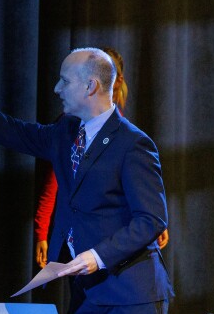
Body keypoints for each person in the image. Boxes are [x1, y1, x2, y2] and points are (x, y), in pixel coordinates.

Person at [0, 47, 173, 314]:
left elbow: (151, 220)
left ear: (90, 86)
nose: (57, 89)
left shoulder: (133, 144)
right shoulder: (66, 132)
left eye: (65, 81)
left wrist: (97, 256)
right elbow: (11, 130)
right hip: (86, 298)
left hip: (131, 298)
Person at [33, 47, 168, 269]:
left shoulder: (126, 133)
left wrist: (154, 221)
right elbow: (55, 180)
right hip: (84, 235)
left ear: (116, 80)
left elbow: (140, 191)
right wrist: (42, 231)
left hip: (115, 244)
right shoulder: (72, 124)